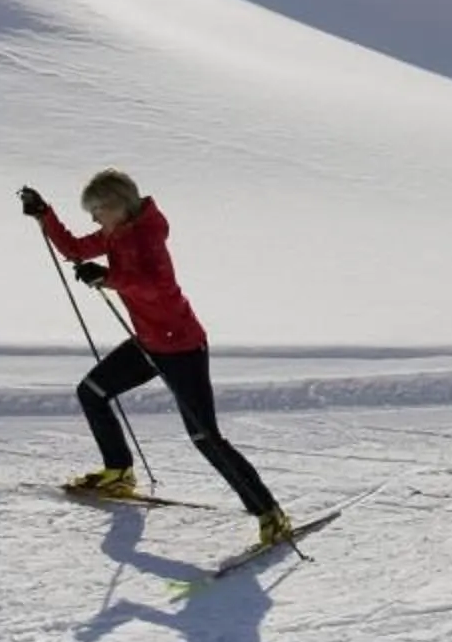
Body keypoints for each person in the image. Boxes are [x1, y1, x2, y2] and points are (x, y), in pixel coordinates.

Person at [20, 170, 294, 550]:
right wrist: (43, 214)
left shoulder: (147, 236)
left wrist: (110, 278)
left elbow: (158, 287)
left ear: (117, 205)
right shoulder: (117, 232)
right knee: (92, 391)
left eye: (97, 210)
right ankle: (118, 471)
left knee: (205, 437)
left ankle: (271, 514)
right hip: (150, 343)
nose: (94, 219)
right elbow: (76, 250)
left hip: (181, 347)